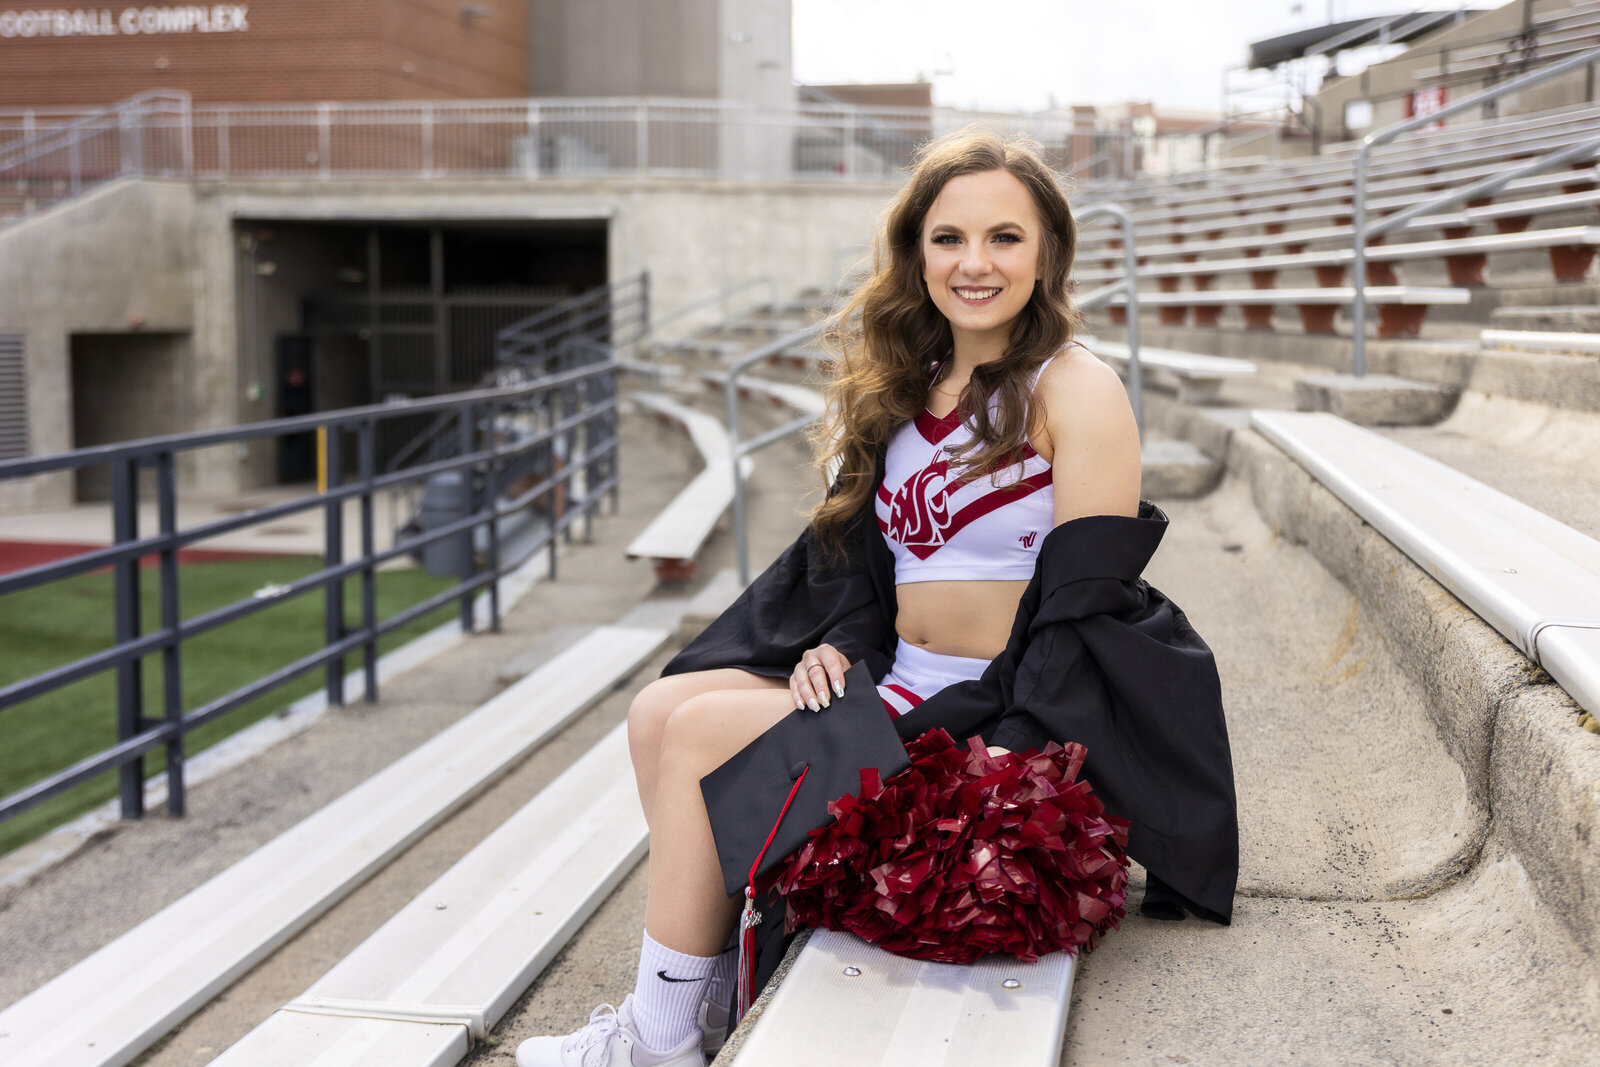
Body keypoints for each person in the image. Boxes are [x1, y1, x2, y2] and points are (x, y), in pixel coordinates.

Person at [516, 126, 1237, 1067]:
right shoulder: (909, 387)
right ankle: (683, 1008)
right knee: (661, 708)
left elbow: (1082, 618)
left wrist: (980, 741)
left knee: (695, 736)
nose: (974, 262)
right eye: (949, 238)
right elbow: (874, 577)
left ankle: (657, 1044)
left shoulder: (1076, 387)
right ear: (916, 252)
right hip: (899, 688)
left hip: (1001, 721)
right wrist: (840, 653)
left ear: (1048, 251)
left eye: (1005, 237)